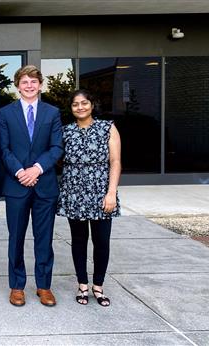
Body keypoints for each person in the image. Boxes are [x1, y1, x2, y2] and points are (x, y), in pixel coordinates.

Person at [0, 65, 63, 307]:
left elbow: (56, 147)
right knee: (16, 237)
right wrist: (20, 172)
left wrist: (36, 168)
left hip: (44, 185)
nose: (29, 85)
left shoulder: (52, 112)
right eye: (24, 82)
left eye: (33, 81)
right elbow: (3, 149)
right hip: (16, 186)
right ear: (17, 85)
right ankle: (17, 286)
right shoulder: (5, 113)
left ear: (40, 84)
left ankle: (44, 286)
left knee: (44, 238)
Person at [57, 89, 121, 307]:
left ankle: (98, 286)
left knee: (101, 241)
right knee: (79, 240)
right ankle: (82, 284)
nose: (80, 107)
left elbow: (115, 162)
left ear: (92, 104)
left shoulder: (107, 128)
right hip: (74, 192)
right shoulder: (65, 132)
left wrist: (111, 192)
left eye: (84, 103)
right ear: (71, 108)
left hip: (101, 192)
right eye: (75, 104)